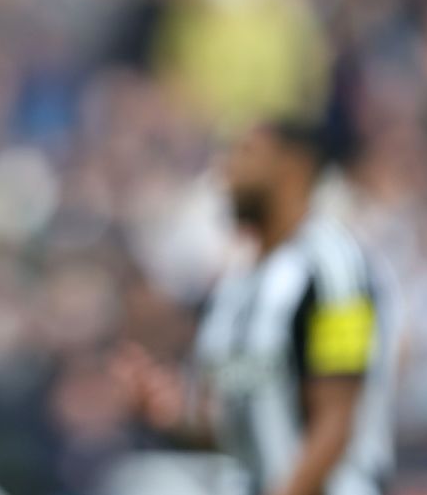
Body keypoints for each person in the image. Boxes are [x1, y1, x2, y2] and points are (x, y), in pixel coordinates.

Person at [114, 120, 396, 495]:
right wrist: (174, 414)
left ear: (294, 167)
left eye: (246, 152)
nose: (227, 169)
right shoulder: (235, 286)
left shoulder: (335, 268)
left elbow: (336, 418)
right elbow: (237, 426)